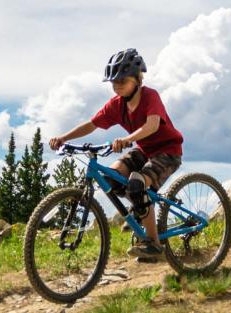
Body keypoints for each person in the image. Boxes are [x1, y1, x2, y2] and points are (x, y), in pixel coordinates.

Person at [49, 48, 184, 261]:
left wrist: (128, 139)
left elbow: (152, 125)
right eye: (113, 82)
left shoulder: (150, 96)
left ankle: (153, 244)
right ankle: (141, 211)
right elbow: (92, 124)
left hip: (167, 151)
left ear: (137, 79)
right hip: (144, 150)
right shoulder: (117, 105)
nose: (117, 86)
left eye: (122, 81)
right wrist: (64, 138)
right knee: (112, 176)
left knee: (137, 184)